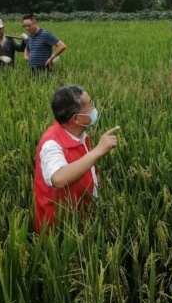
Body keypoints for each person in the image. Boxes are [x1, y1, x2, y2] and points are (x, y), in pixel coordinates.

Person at [33, 85, 120, 233]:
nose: (94, 109)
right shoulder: (51, 144)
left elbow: (85, 163)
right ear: (77, 118)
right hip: (60, 228)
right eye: (90, 105)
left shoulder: (79, 135)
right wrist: (98, 151)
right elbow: (58, 179)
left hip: (81, 217)